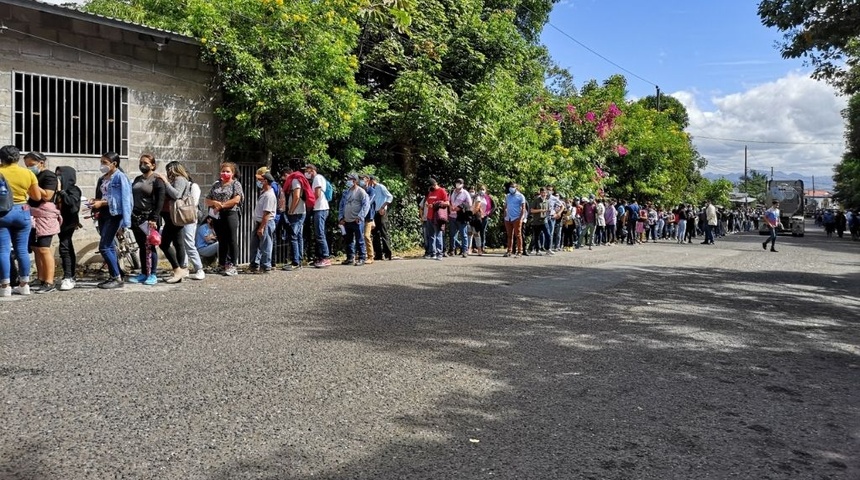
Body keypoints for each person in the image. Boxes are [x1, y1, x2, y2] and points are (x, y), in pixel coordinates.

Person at [0, 145, 42, 297]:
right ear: (17, 158)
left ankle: (5, 287)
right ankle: (24, 285)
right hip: (23, 212)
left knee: (3, 250)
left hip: (2, 213)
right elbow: (37, 197)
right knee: (22, 250)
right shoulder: (27, 173)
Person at [91, 152, 132, 289]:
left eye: (105, 162)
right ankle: (116, 274)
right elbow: (102, 195)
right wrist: (95, 202)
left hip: (114, 214)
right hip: (103, 214)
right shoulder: (103, 178)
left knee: (104, 246)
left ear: (114, 164)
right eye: (101, 162)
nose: (102, 165)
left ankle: (116, 278)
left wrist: (126, 221)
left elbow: (125, 199)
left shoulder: (120, 177)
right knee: (110, 246)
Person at [24, 152, 62, 293]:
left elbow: (47, 195)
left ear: (41, 163)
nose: (29, 168)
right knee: (36, 248)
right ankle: (41, 278)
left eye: (32, 165)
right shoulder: (34, 175)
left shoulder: (49, 176)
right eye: (27, 166)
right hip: (33, 215)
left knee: (44, 249)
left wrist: (33, 184)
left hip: (45, 216)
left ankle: (49, 281)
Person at [127, 154, 165, 285]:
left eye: (146, 163)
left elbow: (160, 201)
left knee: (151, 246)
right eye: (141, 162)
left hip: (150, 219)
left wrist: (154, 218)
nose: (143, 165)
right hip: (137, 217)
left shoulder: (157, 180)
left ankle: (153, 274)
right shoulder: (137, 179)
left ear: (153, 165)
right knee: (142, 247)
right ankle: (143, 273)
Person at [205, 162, 244, 276]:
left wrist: (221, 205)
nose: (225, 173)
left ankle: (233, 264)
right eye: (223, 171)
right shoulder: (216, 184)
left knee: (232, 239)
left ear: (232, 173)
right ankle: (222, 264)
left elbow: (237, 199)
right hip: (217, 215)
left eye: (228, 171)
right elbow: (207, 199)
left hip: (230, 214)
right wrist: (214, 203)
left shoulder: (235, 184)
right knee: (221, 240)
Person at [155, 161, 190, 283]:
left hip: (173, 216)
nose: (167, 172)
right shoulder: (175, 180)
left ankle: (178, 269)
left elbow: (176, 195)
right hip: (169, 215)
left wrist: (165, 182)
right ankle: (180, 270)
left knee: (164, 244)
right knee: (178, 243)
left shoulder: (179, 179)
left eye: (169, 169)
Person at [55, 166, 82, 291]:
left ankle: (68, 277)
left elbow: (72, 206)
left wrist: (61, 191)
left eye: (60, 175)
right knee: (67, 246)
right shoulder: (55, 190)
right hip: (57, 223)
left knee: (64, 247)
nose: (58, 177)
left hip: (68, 223)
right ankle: (70, 274)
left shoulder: (74, 190)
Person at [338, 173, 370, 266]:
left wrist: (360, 216)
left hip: (357, 220)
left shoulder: (361, 192)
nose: (348, 181)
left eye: (350, 179)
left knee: (360, 239)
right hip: (346, 220)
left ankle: (362, 258)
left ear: (355, 181)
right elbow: (341, 205)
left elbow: (366, 205)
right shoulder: (346, 192)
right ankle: (350, 258)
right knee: (349, 240)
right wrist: (341, 217)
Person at [303, 164, 332, 268]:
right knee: (320, 233)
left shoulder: (317, 178)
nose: (306, 173)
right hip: (320, 209)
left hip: (320, 208)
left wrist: (310, 204)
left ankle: (325, 257)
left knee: (319, 234)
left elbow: (317, 194)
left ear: (312, 170)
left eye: (307, 170)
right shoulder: (317, 179)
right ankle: (320, 256)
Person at [249, 172, 277, 272]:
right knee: (255, 245)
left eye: (260, 180)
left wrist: (261, 227)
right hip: (259, 222)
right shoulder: (264, 193)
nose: (258, 182)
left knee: (265, 245)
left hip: (266, 223)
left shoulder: (269, 195)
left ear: (265, 181)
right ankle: (254, 265)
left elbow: (267, 213)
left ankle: (265, 266)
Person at [283, 165, 308, 270]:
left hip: (297, 212)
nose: (284, 179)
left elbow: (297, 196)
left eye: (284, 177)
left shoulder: (294, 181)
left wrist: (291, 210)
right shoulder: (297, 180)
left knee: (293, 237)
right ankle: (298, 261)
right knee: (298, 237)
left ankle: (295, 262)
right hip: (300, 211)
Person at [365, 174, 395, 261]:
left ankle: (387, 254)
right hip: (374, 212)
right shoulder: (370, 189)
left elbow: (390, 196)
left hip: (381, 211)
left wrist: (383, 207)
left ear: (372, 180)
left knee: (383, 232)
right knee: (375, 233)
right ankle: (378, 254)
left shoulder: (380, 187)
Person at [424, 178, 448, 260]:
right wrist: (428, 204)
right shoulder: (431, 191)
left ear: (435, 184)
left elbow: (447, 203)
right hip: (429, 216)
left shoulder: (442, 191)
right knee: (431, 235)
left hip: (437, 216)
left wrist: (437, 204)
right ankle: (432, 253)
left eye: (432, 186)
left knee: (438, 235)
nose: (431, 187)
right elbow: (427, 201)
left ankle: (439, 253)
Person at [447, 178, 472, 257]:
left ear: (463, 184)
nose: (458, 184)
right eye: (457, 182)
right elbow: (448, 201)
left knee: (463, 234)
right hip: (452, 215)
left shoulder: (465, 193)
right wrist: (450, 206)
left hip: (461, 216)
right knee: (452, 234)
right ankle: (452, 250)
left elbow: (469, 204)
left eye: (460, 183)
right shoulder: (452, 192)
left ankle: (465, 250)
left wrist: (460, 207)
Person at [503, 182, 527, 257]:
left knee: (518, 235)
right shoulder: (508, 196)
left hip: (516, 218)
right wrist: (504, 213)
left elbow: (523, 208)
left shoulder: (521, 196)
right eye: (510, 186)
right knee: (509, 235)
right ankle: (509, 251)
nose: (511, 188)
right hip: (508, 218)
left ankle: (519, 251)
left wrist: (520, 218)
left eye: (513, 187)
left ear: (516, 187)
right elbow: (505, 205)